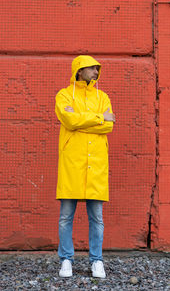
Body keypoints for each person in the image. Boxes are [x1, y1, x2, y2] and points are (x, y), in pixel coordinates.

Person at [55, 55, 115, 279]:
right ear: (79, 71)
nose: (95, 72)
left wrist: (83, 120)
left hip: (96, 163)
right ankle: (66, 260)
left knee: (97, 217)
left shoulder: (103, 96)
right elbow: (69, 122)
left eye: (97, 68)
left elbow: (108, 127)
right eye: (91, 68)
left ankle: (97, 261)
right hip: (72, 162)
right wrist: (100, 117)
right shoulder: (63, 95)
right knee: (66, 216)